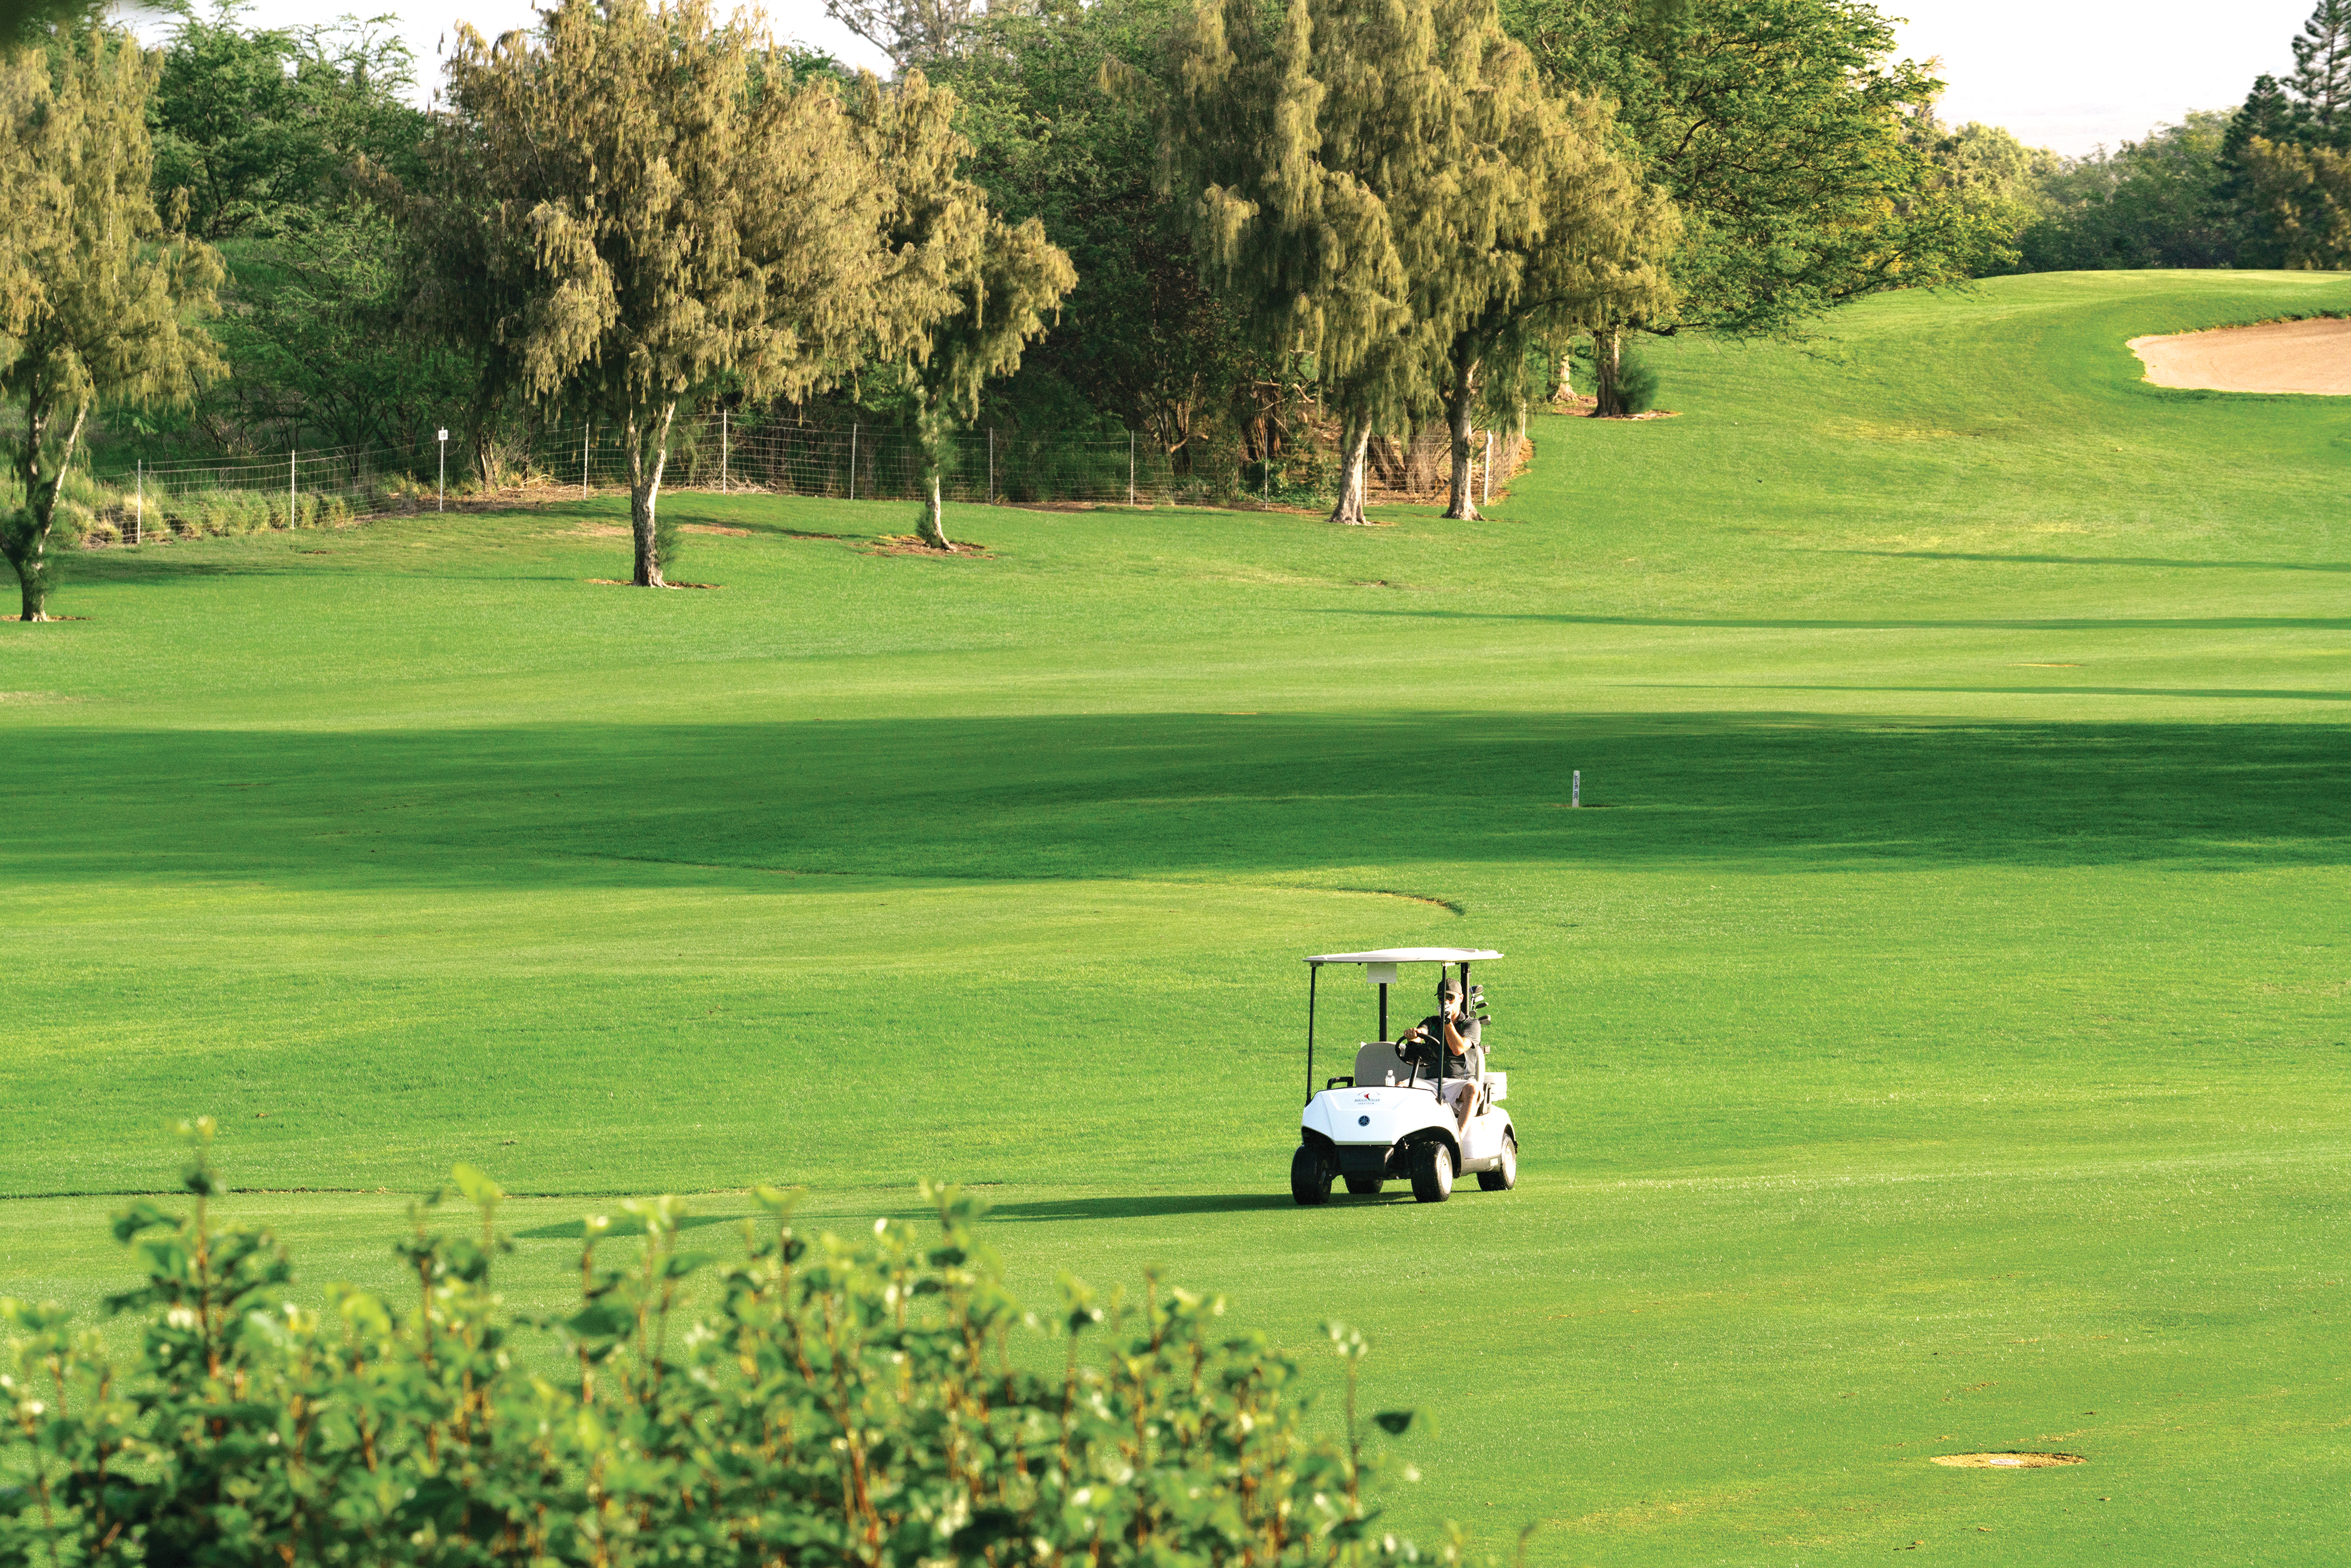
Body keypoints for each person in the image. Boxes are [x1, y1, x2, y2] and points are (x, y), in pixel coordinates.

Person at [1396, 975, 1480, 1135]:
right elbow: (1421, 1033)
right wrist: (1414, 1035)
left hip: (1459, 1082)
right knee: (1401, 1088)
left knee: (1473, 1091)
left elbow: (1458, 1048)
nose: (1446, 1002)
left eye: (1450, 998)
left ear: (1461, 998)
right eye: (1442, 998)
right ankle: (1402, 1137)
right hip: (1432, 1082)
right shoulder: (1432, 1022)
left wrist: (1447, 1022)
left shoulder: (1471, 1024)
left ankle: (1458, 1136)